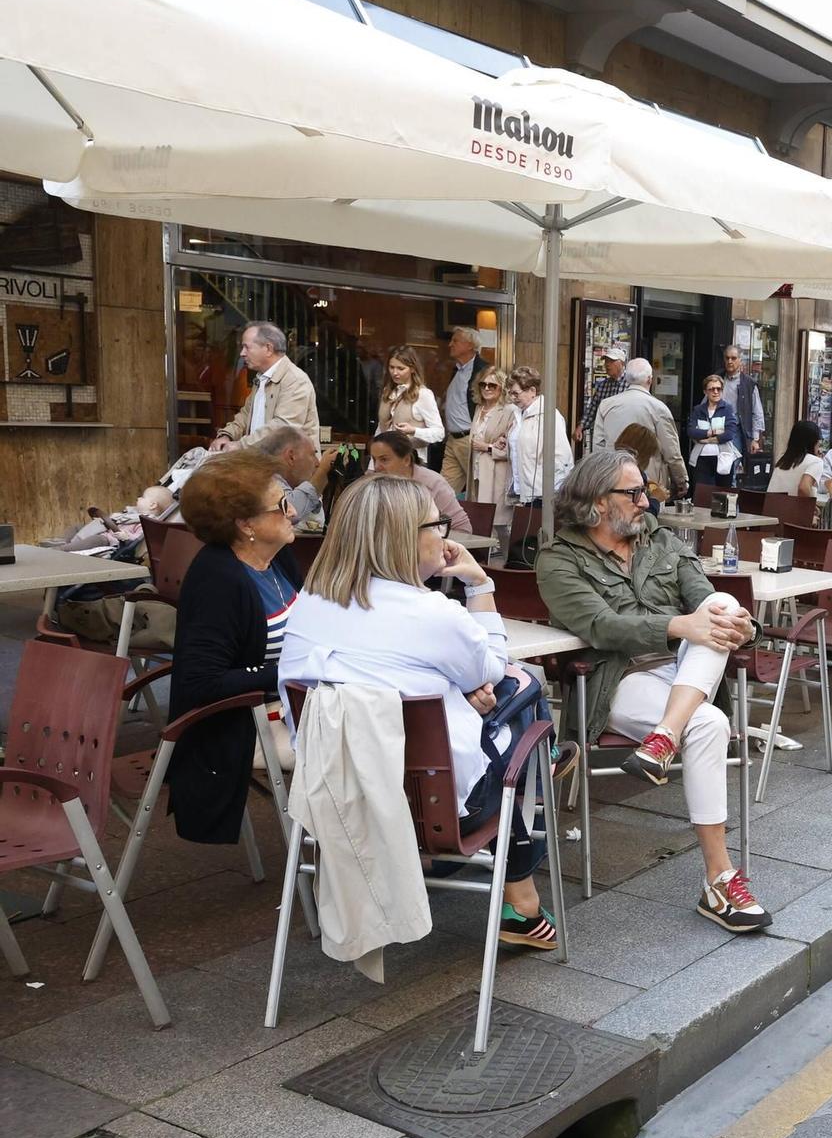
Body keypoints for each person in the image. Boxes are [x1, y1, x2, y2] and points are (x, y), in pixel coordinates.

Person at [280, 474, 566, 950]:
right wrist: (479, 583)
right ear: (406, 537)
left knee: (493, 701)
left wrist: (460, 687)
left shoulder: (306, 607)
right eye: (439, 525)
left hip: (332, 796)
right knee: (523, 688)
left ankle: (540, 781)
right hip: (438, 810)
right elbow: (492, 668)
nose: (446, 534)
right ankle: (524, 889)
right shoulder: (433, 612)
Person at [536, 450, 771, 932]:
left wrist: (742, 627)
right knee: (710, 721)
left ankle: (664, 738)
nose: (646, 501)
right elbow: (601, 625)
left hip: (687, 671)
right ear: (598, 502)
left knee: (724, 600)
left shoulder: (660, 541)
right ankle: (720, 880)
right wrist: (681, 625)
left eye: (645, 491)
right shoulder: (558, 560)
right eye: (634, 492)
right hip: (617, 681)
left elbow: (706, 601)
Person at [165, 450, 301, 846]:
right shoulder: (219, 580)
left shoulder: (275, 559)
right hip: (240, 726)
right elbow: (200, 682)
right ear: (245, 524)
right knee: (368, 742)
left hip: (286, 707)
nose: (292, 511)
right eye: (280, 504)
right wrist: (292, 672)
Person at [589, 358, 688, 500]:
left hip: (614, 477)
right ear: (649, 379)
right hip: (649, 483)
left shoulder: (606, 405)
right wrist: (681, 479)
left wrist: (602, 476)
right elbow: (671, 450)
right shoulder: (659, 408)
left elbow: (598, 445)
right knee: (649, 518)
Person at [211, 322, 318, 450]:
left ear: (268, 349)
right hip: (264, 463)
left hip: (291, 468)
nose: (242, 353)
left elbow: (283, 429)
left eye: (247, 347)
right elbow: (245, 416)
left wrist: (240, 445)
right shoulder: (261, 378)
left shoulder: (295, 380)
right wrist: (227, 435)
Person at [368, 432, 471, 534]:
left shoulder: (432, 484)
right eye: (374, 459)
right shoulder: (373, 486)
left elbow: (462, 529)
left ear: (406, 460)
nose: (377, 466)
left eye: (384, 459)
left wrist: (432, 543)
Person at [505, 365, 571, 520]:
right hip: (523, 491)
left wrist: (552, 494)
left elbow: (562, 458)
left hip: (542, 495)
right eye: (510, 393)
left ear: (532, 391)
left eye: (516, 393)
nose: (512, 398)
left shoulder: (549, 415)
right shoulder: (518, 414)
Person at [251, 425, 339, 526]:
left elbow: (315, 523)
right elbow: (287, 513)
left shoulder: (289, 485)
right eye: (312, 454)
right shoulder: (265, 480)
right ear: (291, 457)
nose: (317, 463)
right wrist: (322, 472)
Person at [436, 326, 489, 494]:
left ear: (469, 345)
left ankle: (480, 521)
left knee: (478, 490)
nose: (450, 344)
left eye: (455, 341)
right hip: (453, 440)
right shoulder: (458, 370)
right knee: (444, 490)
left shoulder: (483, 370)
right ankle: (438, 520)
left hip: (469, 439)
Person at [376, 345, 445, 458]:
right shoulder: (387, 392)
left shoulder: (423, 394)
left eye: (400, 368)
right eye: (391, 367)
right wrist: (372, 465)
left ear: (412, 369)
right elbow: (381, 428)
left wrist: (414, 431)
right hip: (386, 460)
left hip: (412, 462)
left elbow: (439, 433)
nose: (395, 372)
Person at [467, 367, 518, 510]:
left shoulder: (510, 410)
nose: (487, 388)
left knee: (497, 523)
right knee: (480, 518)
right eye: (483, 384)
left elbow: (513, 448)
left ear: (502, 388)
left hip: (497, 475)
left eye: (492, 385)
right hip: (476, 472)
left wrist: (487, 447)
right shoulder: (479, 408)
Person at [686, 374, 741, 491]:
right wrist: (711, 432)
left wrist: (706, 440)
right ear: (705, 391)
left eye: (719, 389)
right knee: (702, 495)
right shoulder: (698, 410)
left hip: (723, 458)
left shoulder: (727, 408)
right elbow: (691, 431)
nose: (716, 392)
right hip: (701, 459)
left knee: (722, 495)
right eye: (712, 389)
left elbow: (729, 433)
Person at [576, 342, 629, 452]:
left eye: (611, 361)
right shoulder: (603, 385)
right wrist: (581, 427)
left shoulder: (630, 384)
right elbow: (593, 408)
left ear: (622, 363)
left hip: (624, 437)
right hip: (604, 438)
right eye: (606, 361)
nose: (607, 365)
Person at [719, 344, 767, 454]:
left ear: (740, 360)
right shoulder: (717, 378)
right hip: (716, 430)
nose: (730, 361)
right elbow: (705, 403)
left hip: (736, 431)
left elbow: (757, 412)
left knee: (731, 465)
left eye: (733, 358)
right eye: (727, 358)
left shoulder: (749, 384)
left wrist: (755, 439)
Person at [769, 420, 828, 499]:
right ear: (814, 442)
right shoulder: (815, 462)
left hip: (770, 508)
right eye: (819, 444)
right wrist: (809, 506)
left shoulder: (783, 458)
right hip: (791, 510)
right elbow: (803, 488)